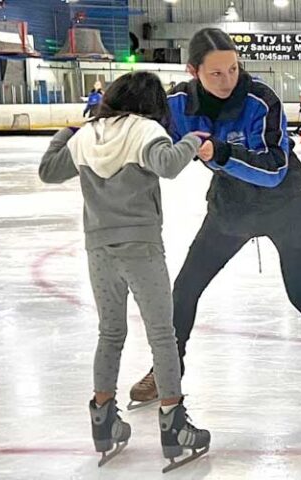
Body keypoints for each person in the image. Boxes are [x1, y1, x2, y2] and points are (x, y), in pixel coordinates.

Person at [129, 28, 301, 430]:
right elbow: (146, 137)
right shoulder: (177, 103)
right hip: (231, 206)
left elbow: (273, 170)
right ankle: (167, 371)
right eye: (215, 73)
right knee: (186, 287)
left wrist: (222, 152)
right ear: (193, 71)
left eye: (233, 69)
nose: (228, 79)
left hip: (286, 203)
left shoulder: (259, 99)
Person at [38, 71, 211, 472]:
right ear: (152, 104)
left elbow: (49, 170)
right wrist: (192, 140)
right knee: (162, 336)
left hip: (99, 248)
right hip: (141, 247)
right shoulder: (144, 129)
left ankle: (103, 418)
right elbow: (167, 165)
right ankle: (174, 425)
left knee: (110, 333)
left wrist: (67, 133)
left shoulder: (87, 135)